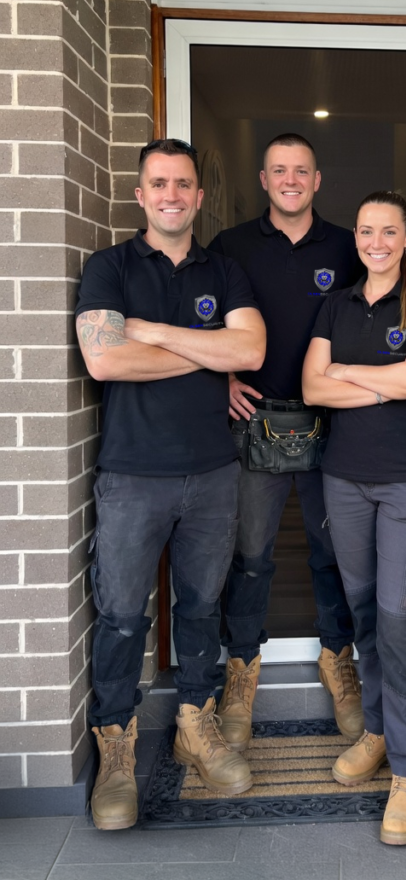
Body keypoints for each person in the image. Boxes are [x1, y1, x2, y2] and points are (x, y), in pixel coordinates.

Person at [76, 138, 267, 830]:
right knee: (123, 616)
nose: (172, 195)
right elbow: (104, 360)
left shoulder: (226, 269)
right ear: (140, 195)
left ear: (199, 195)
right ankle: (117, 752)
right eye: (159, 184)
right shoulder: (111, 268)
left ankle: (195, 727)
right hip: (132, 475)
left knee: (199, 607)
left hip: (214, 473)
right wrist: (203, 354)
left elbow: (249, 349)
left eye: (184, 184)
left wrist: (153, 334)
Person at [302, 191, 406, 846]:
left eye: (389, 230)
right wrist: (386, 373)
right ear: (357, 237)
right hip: (345, 482)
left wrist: (349, 372)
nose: (377, 241)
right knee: (365, 613)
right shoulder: (336, 302)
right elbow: (312, 388)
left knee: (401, 620)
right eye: (367, 230)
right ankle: (379, 731)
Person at [208, 135, 363, 749]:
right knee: (250, 556)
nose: (291, 179)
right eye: (279, 170)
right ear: (264, 179)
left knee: (335, 555)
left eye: (302, 170)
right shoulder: (231, 247)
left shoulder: (350, 247)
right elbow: (201, 325)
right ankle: (241, 675)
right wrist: (220, 378)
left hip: (332, 423)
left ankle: (338, 661)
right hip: (256, 422)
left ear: (318, 181)